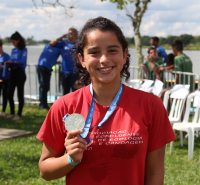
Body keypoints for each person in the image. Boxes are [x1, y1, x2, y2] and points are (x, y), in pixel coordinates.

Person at [37, 17, 176, 185]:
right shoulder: (64, 106)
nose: (104, 59)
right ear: (82, 59)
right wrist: (70, 159)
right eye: (94, 52)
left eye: (112, 50)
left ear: (124, 55)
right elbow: (45, 170)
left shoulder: (151, 105)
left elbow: (155, 173)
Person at [49, 27, 79, 95]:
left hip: (75, 72)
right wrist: (61, 37)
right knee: (65, 93)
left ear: (75, 35)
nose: (69, 35)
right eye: (68, 33)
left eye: (71, 33)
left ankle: (75, 106)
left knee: (76, 93)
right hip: (64, 72)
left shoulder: (78, 45)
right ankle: (66, 106)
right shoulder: (63, 43)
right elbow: (51, 44)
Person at [5, 31, 27, 120]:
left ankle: (19, 114)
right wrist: (7, 63)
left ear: (18, 40)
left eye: (14, 42)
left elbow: (22, 61)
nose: (13, 44)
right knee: (10, 93)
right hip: (12, 72)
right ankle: (12, 112)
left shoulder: (24, 49)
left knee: (20, 94)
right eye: (12, 42)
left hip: (20, 73)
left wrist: (12, 62)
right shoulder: (13, 50)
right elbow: (11, 60)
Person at [36, 44, 61, 109]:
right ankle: (43, 105)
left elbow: (49, 57)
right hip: (45, 68)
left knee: (42, 86)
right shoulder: (58, 48)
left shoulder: (47, 46)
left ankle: (42, 103)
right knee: (44, 87)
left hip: (39, 66)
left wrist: (55, 62)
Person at [0, 39, 10, 117]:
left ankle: (3, 110)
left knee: (5, 95)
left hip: (6, 78)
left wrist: (5, 67)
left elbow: (9, 66)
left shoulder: (6, 56)